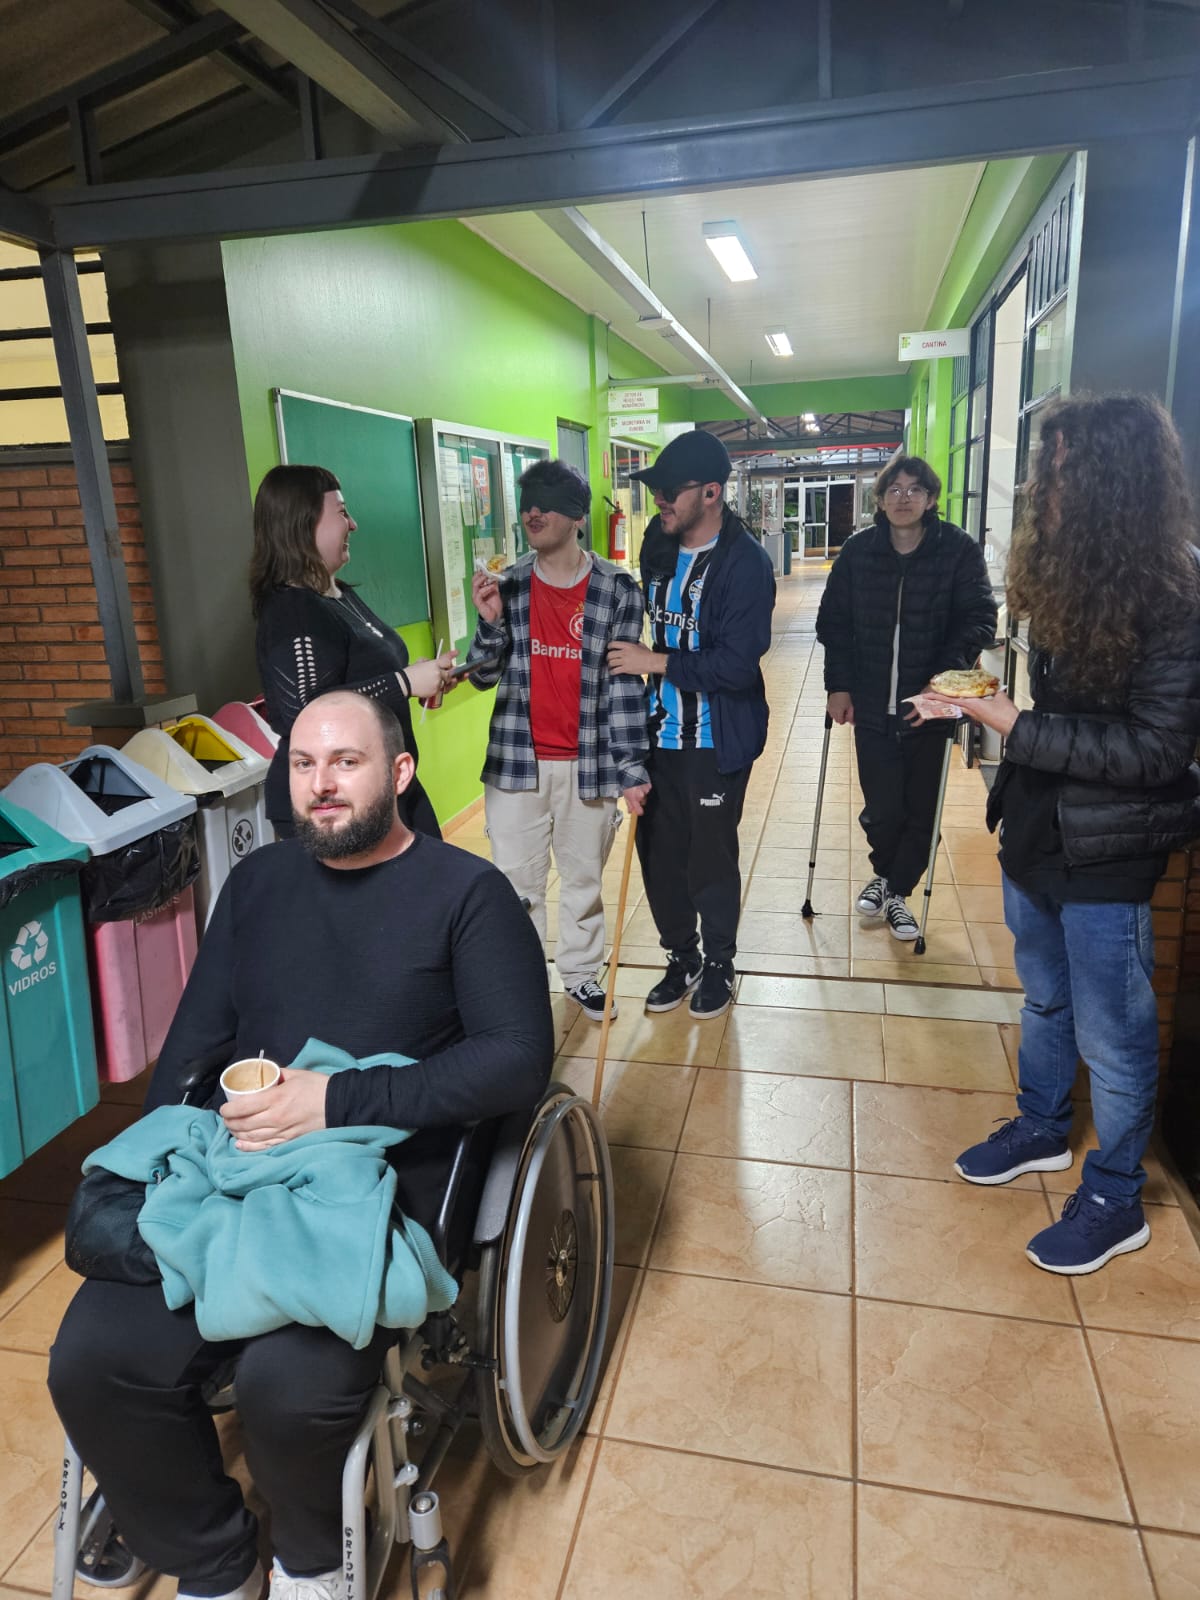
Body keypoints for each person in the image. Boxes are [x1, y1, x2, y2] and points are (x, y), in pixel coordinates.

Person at [49, 690, 554, 1600]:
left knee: (287, 1387)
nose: (320, 784)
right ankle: (213, 1560)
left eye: (347, 763)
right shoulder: (258, 885)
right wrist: (161, 1156)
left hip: (376, 1188)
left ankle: (309, 1563)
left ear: (399, 772)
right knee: (93, 1360)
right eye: (304, 764)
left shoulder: (466, 895)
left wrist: (336, 1101)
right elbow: (196, 1041)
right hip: (236, 1174)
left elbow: (517, 1058)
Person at [914, 395, 1200, 1275]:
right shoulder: (1078, 573)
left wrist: (1012, 723)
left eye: (1062, 471)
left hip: (1111, 846)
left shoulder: (1176, 593)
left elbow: (1157, 750)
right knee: (1043, 997)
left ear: (1116, 481)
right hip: (1038, 825)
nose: (1044, 488)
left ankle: (1116, 1194)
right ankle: (1042, 1124)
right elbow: (1059, 716)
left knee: (1114, 1033)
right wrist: (979, 707)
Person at [467, 459, 650, 1021]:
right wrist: (490, 622)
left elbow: (624, 685)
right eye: (527, 504)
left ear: (575, 516)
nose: (533, 513)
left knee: (583, 880)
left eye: (545, 504)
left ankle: (580, 975)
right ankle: (521, 985)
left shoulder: (617, 589)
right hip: (516, 763)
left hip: (589, 763)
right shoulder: (508, 585)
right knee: (516, 886)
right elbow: (481, 675)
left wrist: (631, 768)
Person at [607, 431, 775, 1021]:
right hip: (658, 736)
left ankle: (720, 963)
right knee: (659, 856)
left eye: (669, 491)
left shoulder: (746, 563)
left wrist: (654, 661)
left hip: (714, 739)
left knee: (709, 860)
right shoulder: (658, 542)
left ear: (711, 492)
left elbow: (736, 665)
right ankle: (683, 957)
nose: (659, 501)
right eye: (655, 490)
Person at [816, 452, 997, 940]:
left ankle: (896, 890)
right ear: (879, 499)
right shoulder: (858, 553)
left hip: (930, 706)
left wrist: (941, 681)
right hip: (871, 703)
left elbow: (980, 618)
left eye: (915, 489)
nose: (903, 498)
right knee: (882, 807)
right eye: (894, 489)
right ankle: (887, 872)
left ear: (931, 498)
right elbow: (833, 623)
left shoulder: (956, 550)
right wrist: (838, 685)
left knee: (922, 807)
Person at [251, 463, 458, 840]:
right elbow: (305, 712)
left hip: (387, 786)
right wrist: (403, 683)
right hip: (335, 805)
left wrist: (420, 677)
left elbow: (364, 678)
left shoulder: (341, 595)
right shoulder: (292, 609)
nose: (353, 525)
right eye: (342, 513)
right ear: (303, 523)